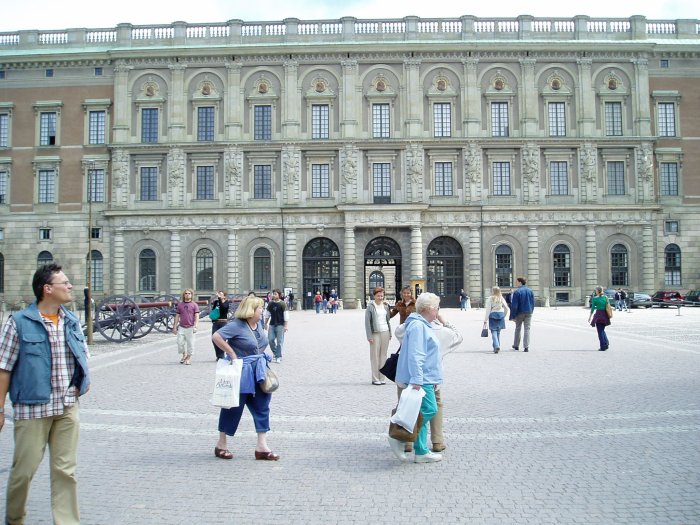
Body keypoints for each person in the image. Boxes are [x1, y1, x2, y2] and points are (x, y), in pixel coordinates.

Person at [0, 263, 91, 525]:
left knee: (65, 471)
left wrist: (84, 381)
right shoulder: (18, 323)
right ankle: (14, 519)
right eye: (65, 283)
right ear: (47, 289)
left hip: (67, 408)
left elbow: (83, 353)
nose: (70, 286)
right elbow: (4, 368)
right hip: (33, 409)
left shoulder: (71, 320)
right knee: (23, 472)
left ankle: (66, 521)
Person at [211, 296, 279, 461]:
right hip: (241, 372)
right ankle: (221, 444)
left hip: (259, 372)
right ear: (251, 310)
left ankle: (261, 447)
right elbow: (217, 337)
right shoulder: (236, 325)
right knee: (233, 406)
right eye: (260, 308)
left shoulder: (258, 324)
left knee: (263, 406)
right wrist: (232, 354)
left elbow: (260, 343)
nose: (262, 311)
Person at [388, 292, 444, 463]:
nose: (438, 313)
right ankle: (400, 436)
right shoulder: (419, 326)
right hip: (422, 378)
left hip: (426, 377)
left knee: (421, 412)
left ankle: (421, 451)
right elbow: (416, 355)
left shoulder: (419, 324)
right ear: (429, 309)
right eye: (437, 308)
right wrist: (418, 379)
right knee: (430, 410)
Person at [393, 316, 462, 455]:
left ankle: (406, 440)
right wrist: (445, 321)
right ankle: (437, 441)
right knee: (434, 406)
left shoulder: (412, 327)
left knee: (407, 405)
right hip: (432, 375)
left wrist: (412, 317)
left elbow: (398, 331)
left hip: (409, 374)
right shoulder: (442, 331)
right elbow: (458, 336)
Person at [364, 287, 392, 385]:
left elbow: (388, 320)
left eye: (381, 295)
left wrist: (390, 333)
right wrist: (369, 336)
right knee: (374, 356)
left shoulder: (385, 306)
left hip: (385, 332)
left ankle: (382, 377)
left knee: (383, 355)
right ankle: (375, 378)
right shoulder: (370, 307)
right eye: (378, 295)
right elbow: (367, 323)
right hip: (375, 333)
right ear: (374, 296)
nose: (380, 297)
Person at [172, 288, 199, 365]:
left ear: (191, 295)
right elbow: (177, 316)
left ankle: (188, 358)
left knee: (190, 344)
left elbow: (197, 316)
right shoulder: (180, 305)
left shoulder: (194, 305)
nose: (187, 295)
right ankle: (184, 355)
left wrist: (195, 326)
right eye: (186, 293)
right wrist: (174, 327)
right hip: (181, 327)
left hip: (191, 327)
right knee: (179, 343)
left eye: (189, 293)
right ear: (183, 295)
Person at [509, 276, 535, 352]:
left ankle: (516, 345)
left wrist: (512, 316)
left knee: (518, 329)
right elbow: (533, 302)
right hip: (529, 312)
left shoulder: (517, 292)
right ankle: (526, 346)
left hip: (519, 312)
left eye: (516, 281)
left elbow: (514, 306)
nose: (515, 283)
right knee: (527, 329)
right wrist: (531, 310)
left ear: (520, 282)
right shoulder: (530, 291)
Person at [483, 286, 510, 353]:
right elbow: (506, 308)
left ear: (493, 291)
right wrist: (504, 315)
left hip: (493, 315)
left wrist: (485, 319)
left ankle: (497, 345)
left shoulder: (490, 298)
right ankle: (496, 347)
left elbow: (488, 310)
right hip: (500, 314)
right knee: (498, 332)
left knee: (493, 332)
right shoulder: (501, 298)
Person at [265, 289, 288, 363]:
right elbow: (267, 314)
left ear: (279, 295)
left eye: (275, 294)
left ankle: (278, 356)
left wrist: (286, 325)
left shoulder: (282, 304)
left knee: (279, 341)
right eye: (273, 294)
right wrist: (265, 324)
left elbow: (286, 315)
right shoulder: (270, 303)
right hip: (272, 324)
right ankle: (276, 353)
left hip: (280, 324)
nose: (273, 295)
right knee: (270, 340)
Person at [589, 286, 611, 351]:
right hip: (605, 315)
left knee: (600, 331)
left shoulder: (595, 298)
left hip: (598, 315)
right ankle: (606, 343)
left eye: (596, 290)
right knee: (602, 330)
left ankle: (603, 346)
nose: (595, 291)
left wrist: (590, 317)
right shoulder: (606, 297)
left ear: (597, 291)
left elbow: (592, 308)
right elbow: (608, 306)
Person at [210, 290, 231, 360]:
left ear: (224, 296)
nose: (219, 296)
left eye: (221, 295)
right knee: (214, 339)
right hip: (216, 322)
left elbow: (223, 308)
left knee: (222, 339)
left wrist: (220, 299)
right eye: (219, 294)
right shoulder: (216, 302)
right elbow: (213, 311)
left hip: (223, 323)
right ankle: (218, 355)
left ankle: (221, 355)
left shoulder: (226, 302)